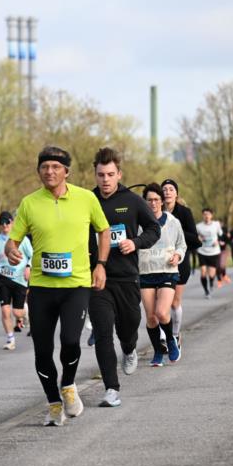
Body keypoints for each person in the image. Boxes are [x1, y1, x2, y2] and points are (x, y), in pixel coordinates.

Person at [6, 145, 110, 426]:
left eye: (55, 167)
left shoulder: (86, 198)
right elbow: (13, 240)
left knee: (70, 341)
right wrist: (11, 249)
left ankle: (68, 385)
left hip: (76, 284)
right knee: (42, 350)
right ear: (38, 171)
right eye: (44, 167)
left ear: (67, 171)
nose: (49, 172)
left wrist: (101, 264)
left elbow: (104, 230)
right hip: (41, 287)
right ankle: (54, 404)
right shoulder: (29, 203)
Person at [88, 147, 160, 408]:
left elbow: (154, 229)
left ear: (119, 174)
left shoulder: (132, 201)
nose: (105, 180)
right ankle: (111, 389)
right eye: (100, 175)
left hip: (127, 277)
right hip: (98, 278)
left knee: (128, 327)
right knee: (103, 331)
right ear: (95, 175)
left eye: (110, 174)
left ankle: (129, 349)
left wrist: (136, 242)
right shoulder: (87, 201)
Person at [137, 184, 185, 367]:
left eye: (156, 199)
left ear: (162, 201)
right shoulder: (138, 222)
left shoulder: (173, 222)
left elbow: (182, 245)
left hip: (167, 271)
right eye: (149, 200)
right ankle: (158, 350)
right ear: (144, 202)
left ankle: (171, 340)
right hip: (146, 272)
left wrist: (177, 255)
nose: (153, 203)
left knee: (162, 313)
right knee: (151, 317)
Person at [161, 179, 199, 347]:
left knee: (174, 302)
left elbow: (195, 239)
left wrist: (176, 229)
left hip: (180, 261)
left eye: (171, 189)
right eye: (164, 189)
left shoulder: (184, 212)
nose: (167, 192)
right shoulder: (155, 211)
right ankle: (164, 337)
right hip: (159, 262)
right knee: (160, 304)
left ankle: (175, 335)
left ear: (176, 194)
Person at [0, 211, 32, 351]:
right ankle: (10, 339)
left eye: (7, 222)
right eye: (2, 222)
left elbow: (32, 255)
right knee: (5, 311)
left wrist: (28, 267)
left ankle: (25, 313)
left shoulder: (22, 239)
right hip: (3, 278)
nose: (5, 225)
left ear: (12, 222)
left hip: (20, 278)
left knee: (17, 313)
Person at [195, 207, 224, 299]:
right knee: (203, 272)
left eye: (208, 214)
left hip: (214, 252)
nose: (206, 216)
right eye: (204, 214)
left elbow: (221, 235)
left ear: (211, 215)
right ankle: (206, 291)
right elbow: (195, 236)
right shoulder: (198, 226)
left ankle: (211, 282)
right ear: (202, 215)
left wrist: (218, 241)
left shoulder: (216, 224)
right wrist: (198, 238)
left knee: (212, 274)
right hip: (202, 251)